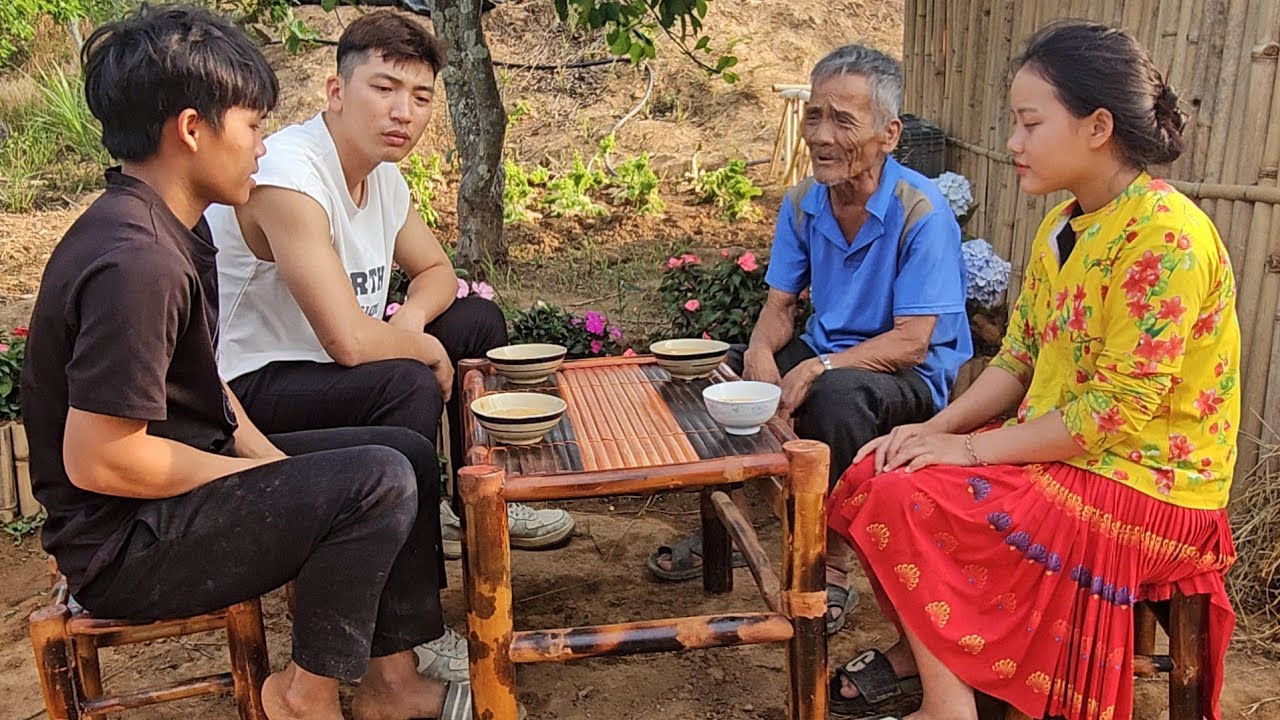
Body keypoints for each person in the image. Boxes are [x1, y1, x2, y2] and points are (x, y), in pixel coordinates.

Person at [19, 7, 503, 719]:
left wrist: (268, 456)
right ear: (191, 130)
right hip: (125, 548)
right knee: (375, 477)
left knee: (396, 451)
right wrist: (264, 476)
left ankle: (391, 684)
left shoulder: (163, 230)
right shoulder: (136, 262)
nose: (261, 146)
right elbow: (101, 464)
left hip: (168, 498)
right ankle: (303, 698)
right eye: (251, 126)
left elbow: (204, 382)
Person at [826, 20, 1238, 720]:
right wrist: (931, 430)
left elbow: (1112, 416)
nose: (1013, 143)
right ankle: (949, 683)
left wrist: (968, 448)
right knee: (879, 470)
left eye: (1029, 123)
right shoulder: (1062, 228)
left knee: (909, 499)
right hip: (1066, 452)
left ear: (1097, 126)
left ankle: (948, 703)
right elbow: (1018, 360)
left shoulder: (1167, 239)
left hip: (1148, 481)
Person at [205, 11, 573, 680]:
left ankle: (472, 506)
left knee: (474, 325)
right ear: (335, 91)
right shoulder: (289, 175)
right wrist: (416, 352)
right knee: (407, 378)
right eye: (384, 88)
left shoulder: (383, 176)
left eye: (422, 96)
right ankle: (405, 625)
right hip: (254, 389)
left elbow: (438, 275)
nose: (404, 111)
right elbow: (346, 341)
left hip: (334, 368)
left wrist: (411, 329)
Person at [647, 44, 972, 639]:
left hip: (906, 377)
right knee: (723, 384)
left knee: (838, 398)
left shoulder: (922, 213)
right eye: (814, 116)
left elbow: (913, 342)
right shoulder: (802, 202)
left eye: (843, 120)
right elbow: (779, 308)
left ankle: (837, 566)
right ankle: (730, 524)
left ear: (888, 134)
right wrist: (760, 354)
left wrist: (818, 366)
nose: (821, 135)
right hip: (832, 355)